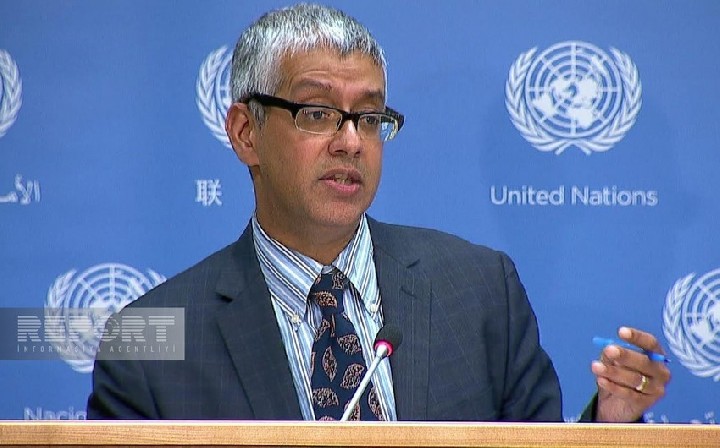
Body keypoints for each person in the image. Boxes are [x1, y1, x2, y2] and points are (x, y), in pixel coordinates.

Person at [87, 3, 670, 421]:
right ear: (245, 133)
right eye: (317, 113)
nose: (351, 142)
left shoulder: (481, 292)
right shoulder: (150, 339)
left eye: (369, 118)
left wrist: (611, 425)